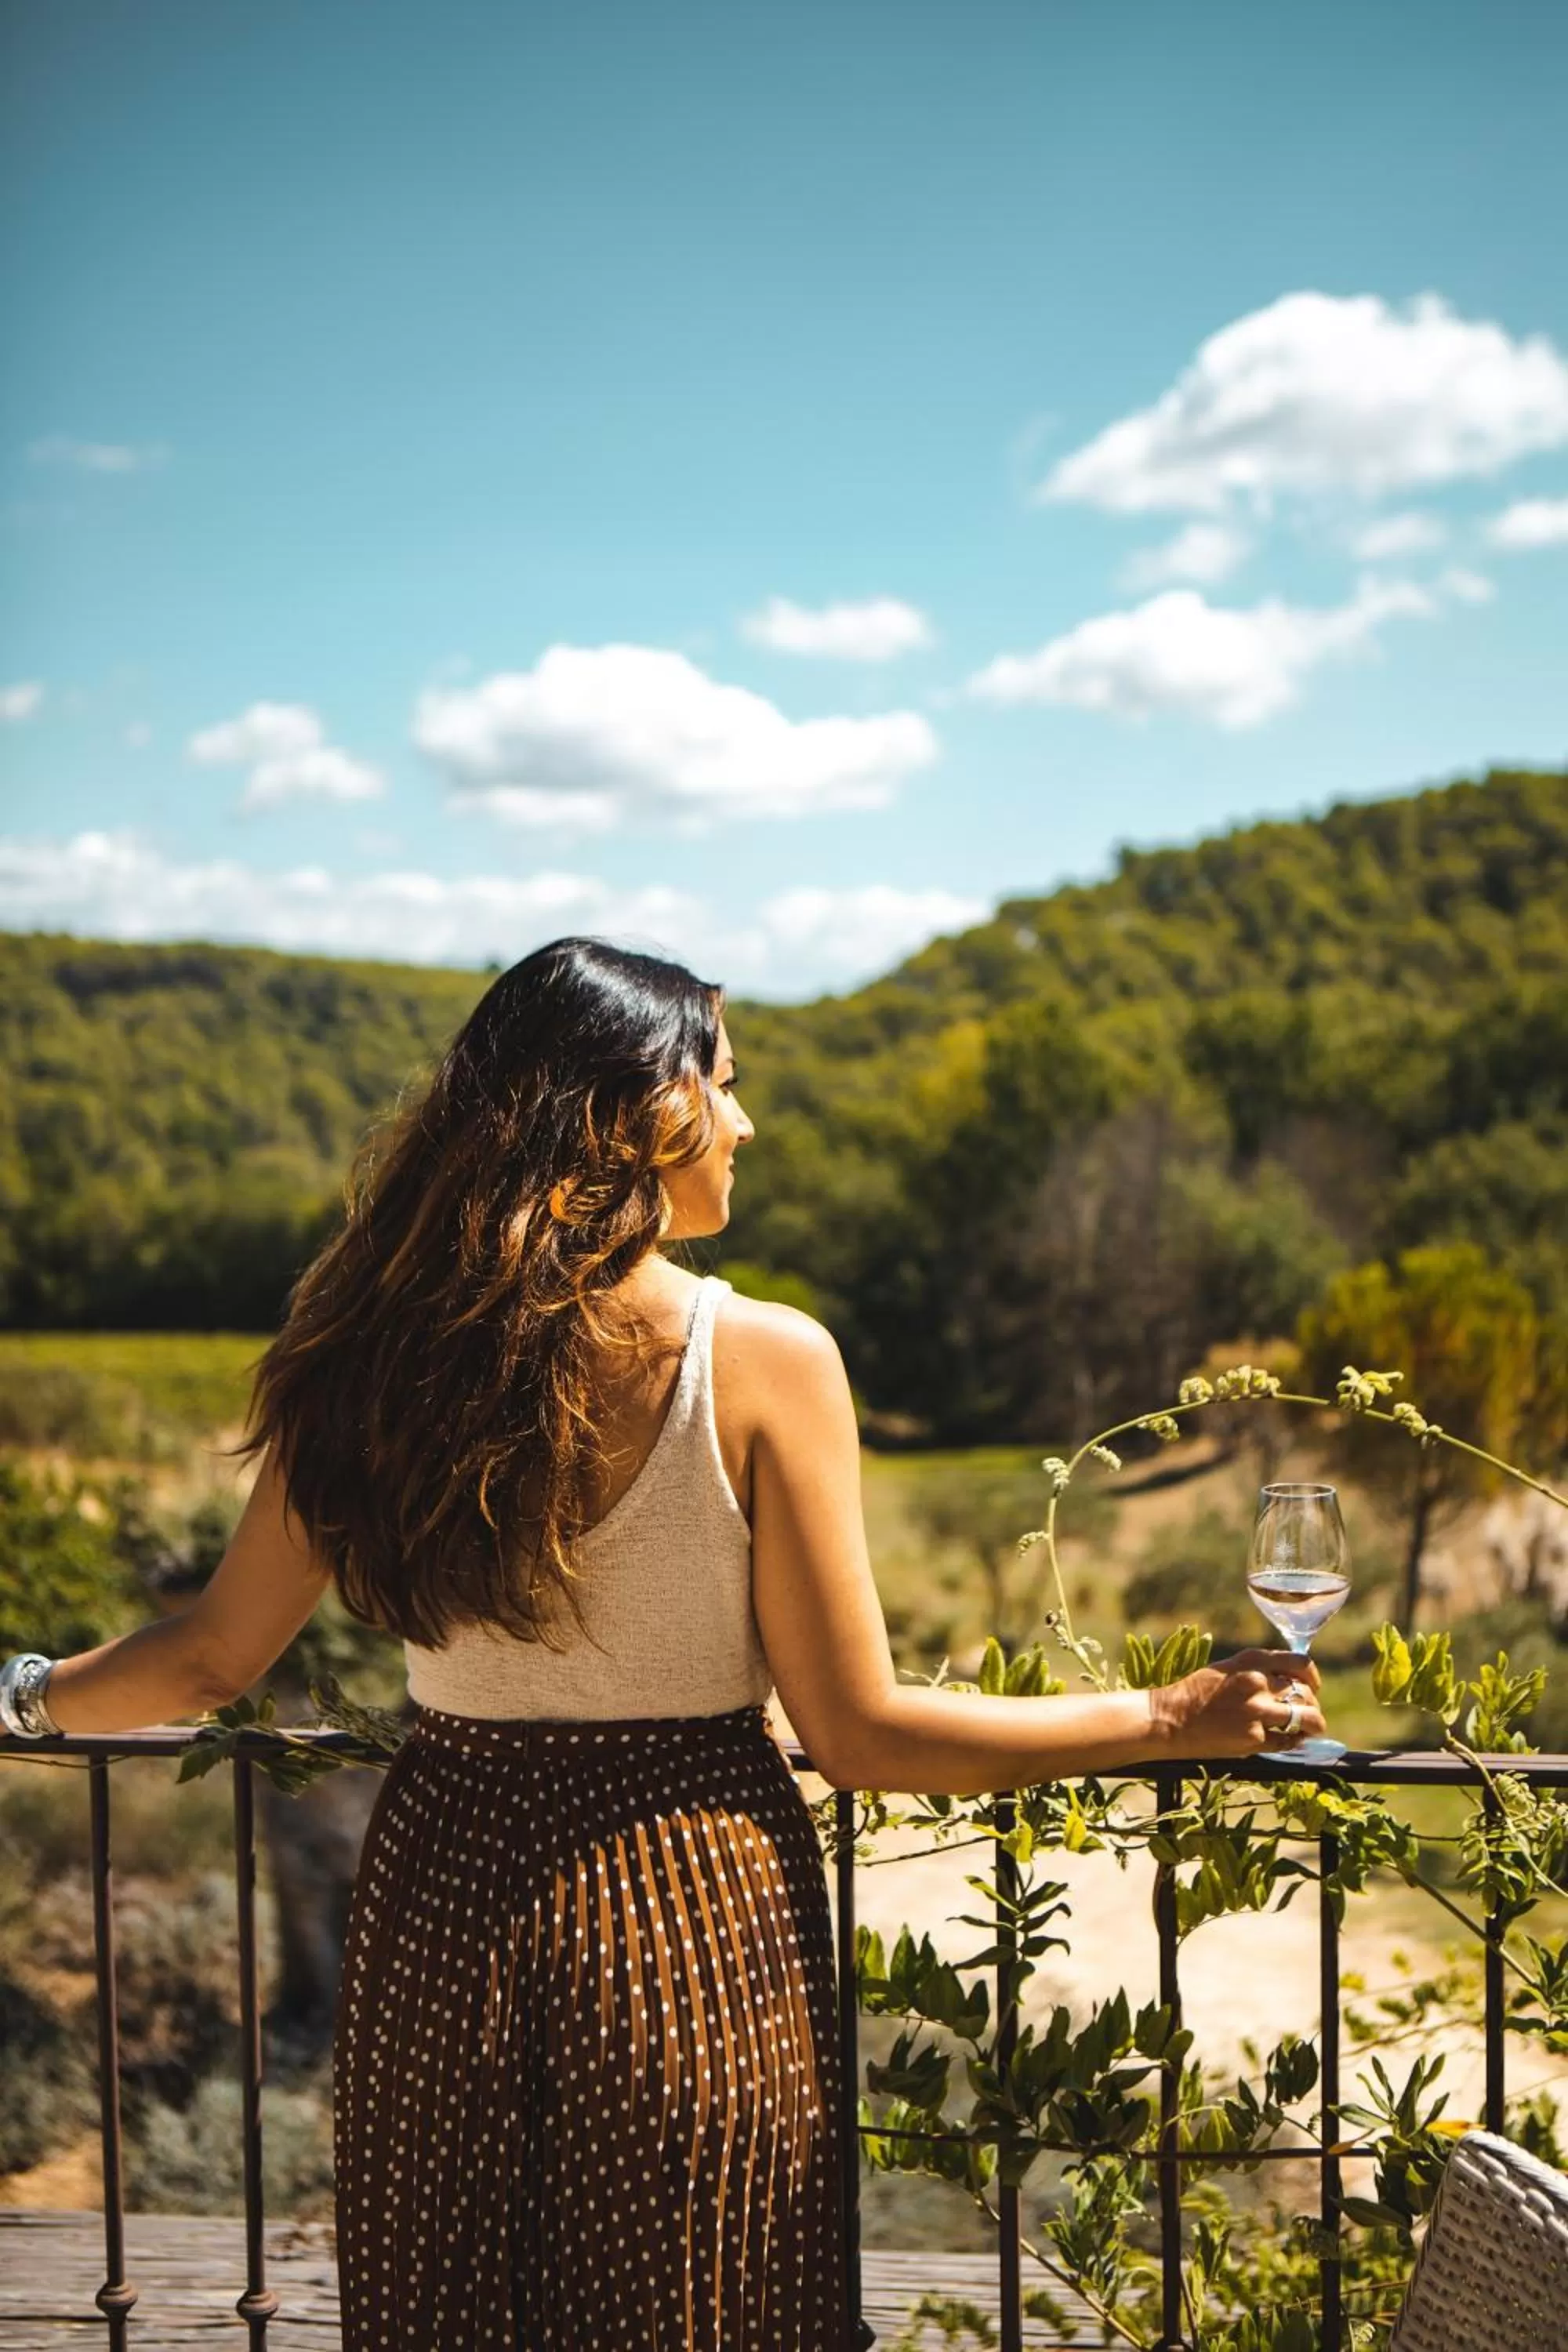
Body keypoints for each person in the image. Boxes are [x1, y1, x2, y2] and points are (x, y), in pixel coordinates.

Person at [0, 936, 1326, 2350]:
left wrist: (27, 1698)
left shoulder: (372, 1358)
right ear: (636, 1112)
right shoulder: (763, 1360)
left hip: (442, 1897)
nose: (745, 1122)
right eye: (727, 1085)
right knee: (703, 2306)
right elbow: (861, 1734)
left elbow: (209, 1661)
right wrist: (1169, 1714)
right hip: (685, 1900)